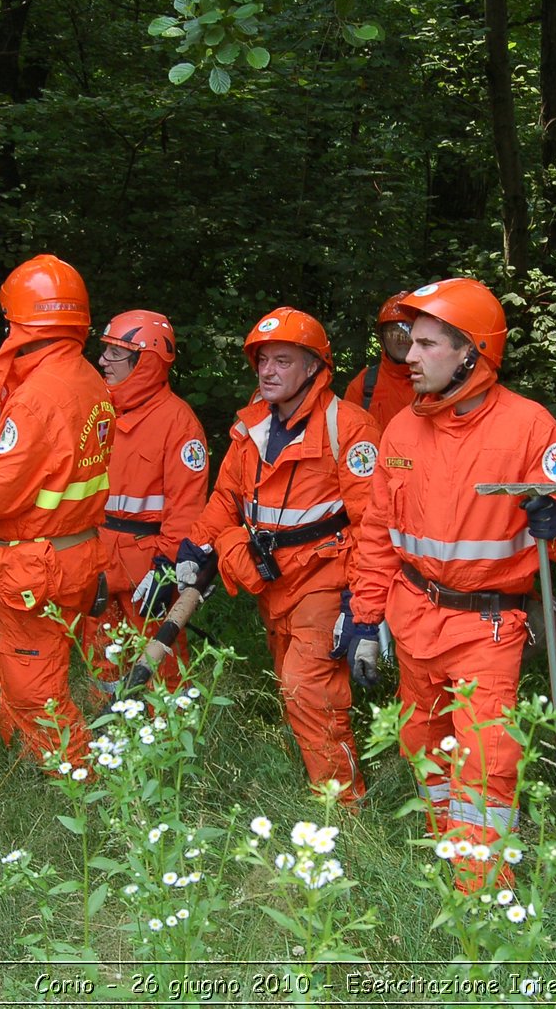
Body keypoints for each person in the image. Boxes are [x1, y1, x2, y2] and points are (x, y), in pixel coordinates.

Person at [348, 278, 556, 890]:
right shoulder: (401, 430)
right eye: (410, 341)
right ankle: (447, 846)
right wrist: (365, 621)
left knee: (486, 757)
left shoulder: (530, 427)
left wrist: (555, 521)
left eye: (428, 344)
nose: (408, 357)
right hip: (413, 613)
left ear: (471, 353)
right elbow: (377, 534)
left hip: (488, 623)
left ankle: (482, 894)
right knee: (421, 739)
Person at [180, 307, 380, 809]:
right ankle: (328, 785)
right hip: (271, 582)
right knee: (297, 690)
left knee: (306, 686)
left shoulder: (350, 429)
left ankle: (344, 810)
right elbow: (227, 498)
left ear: (313, 366)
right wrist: (191, 550)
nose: (268, 371)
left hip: (324, 576)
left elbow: (372, 525)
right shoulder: (252, 428)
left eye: (283, 361)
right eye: (263, 360)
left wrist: (361, 607)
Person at [0, 254, 113, 771]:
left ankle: (76, 788)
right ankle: (21, 762)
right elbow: (48, 470)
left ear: (22, 323)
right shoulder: (87, 381)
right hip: (74, 552)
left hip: (40, 565)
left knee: (33, 684)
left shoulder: (38, 396)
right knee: (40, 666)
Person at [86, 310, 209, 698]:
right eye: (104, 351)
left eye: (114, 354)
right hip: (98, 555)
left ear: (145, 360)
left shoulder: (178, 423)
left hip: (149, 564)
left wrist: (166, 569)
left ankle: (164, 750)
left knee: (161, 664)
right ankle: (106, 737)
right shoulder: (98, 412)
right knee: (100, 653)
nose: (102, 361)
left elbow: (187, 509)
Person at [341, 291, 414, 431]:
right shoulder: (364, 384)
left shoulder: (439, 382)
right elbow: (347, 436)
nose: (401, 337)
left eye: (408, 329)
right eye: (393, 330)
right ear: (381, 338)